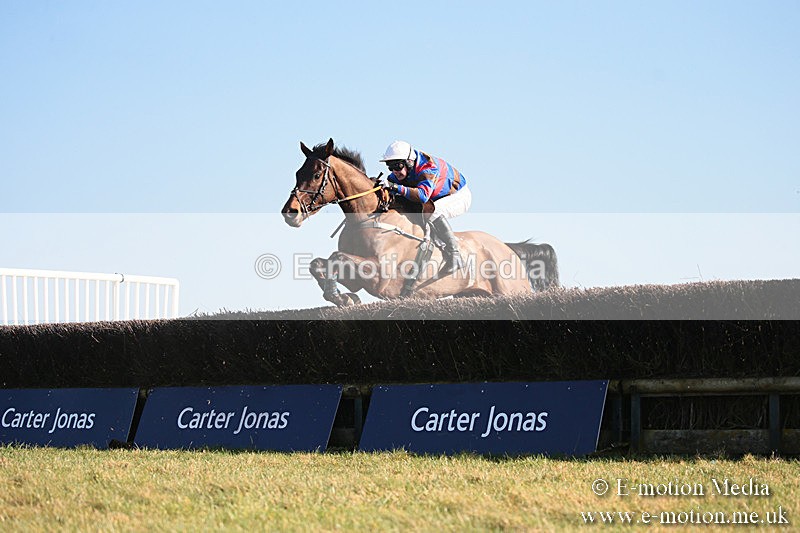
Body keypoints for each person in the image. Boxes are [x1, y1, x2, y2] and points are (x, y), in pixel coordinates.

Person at [380, 140, 472, 273]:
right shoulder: (401, 171)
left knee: (433, 212)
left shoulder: (428, 167)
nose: (395, 171)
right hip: (437, 197)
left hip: (458, 196)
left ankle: (455, 255)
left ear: (409, 162)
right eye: (390, 167)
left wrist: (395, 187)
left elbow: (423, 196)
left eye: (398, 166)